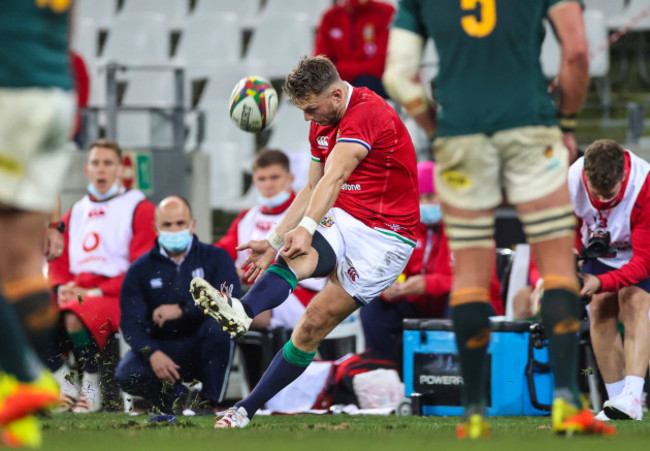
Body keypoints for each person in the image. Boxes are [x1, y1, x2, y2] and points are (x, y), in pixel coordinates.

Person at [382, 0, 614, 438]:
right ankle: (566, 399)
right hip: (530, 127)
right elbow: (578, 52)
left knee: (469, 274)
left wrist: (435, 127)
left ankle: (471, 412)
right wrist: (564, 121)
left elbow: (397, 74)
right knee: (556, 266)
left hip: (460, 133)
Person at [190, 55, 419, 428]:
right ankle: (243, 332)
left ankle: (248, 394)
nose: (307, 118)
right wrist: (276, 238)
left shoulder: (366, 112)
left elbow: (335, 176)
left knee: (312, 325)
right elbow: (313, 185)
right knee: (298, 252)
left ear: (336, 93)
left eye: (311, 108)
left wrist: (308, 226)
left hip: (387, 237)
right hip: (346, 215)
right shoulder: (321, 121)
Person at [0, 0, 76, 447]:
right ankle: (17, 424)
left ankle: (28, 376)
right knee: (20, 264)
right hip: (54, 90)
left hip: (8, 86)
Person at [48, 139, 157, 413]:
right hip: (78, 292)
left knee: (75, 313)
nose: (101, 170)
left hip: (118, 295)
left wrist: (95, 292)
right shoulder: (76, 211)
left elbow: (141, 267)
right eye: (96, 163)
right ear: (87, 169)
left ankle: (91, 385)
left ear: (121, 169)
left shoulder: (139, 207)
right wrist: (61, 286)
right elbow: (59, 259)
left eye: (108, 163)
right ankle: (64, 380)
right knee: (29, 312)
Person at [360, 161, 504, 365]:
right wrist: (389, 286)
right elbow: (393, 266)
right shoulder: (408, 225)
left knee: (460, 299)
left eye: (429, 197)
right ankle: (383, 375)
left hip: (474, 305)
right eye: (417, 198)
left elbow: (473, 280)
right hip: (422, 305)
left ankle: (454, 377)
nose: (423, 204)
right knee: (374, 303)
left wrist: (427, 284)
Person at [116, 196, 240, 414]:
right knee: (126, 374)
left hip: (204, 343)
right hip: (162, 347)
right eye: (167, 225)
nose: (174, 230)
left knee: (221, 326)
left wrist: (184, 309)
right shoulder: (139, 270)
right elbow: (130, 322)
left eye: (180, 223)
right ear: (156, 228)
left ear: (192, 224)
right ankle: (178, 401)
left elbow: (231, 301)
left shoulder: (216, 258)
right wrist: (152, 353)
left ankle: (208, 403)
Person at [569, 139, 650, 421]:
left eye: (610, 194)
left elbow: (643, 262)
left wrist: (600, 282)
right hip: (604, 248)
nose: (602, 200)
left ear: (623, 176)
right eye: (596, 193)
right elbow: (571, 225)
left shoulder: (644, 184)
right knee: (600, 310)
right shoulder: (573, 177)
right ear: (586, 177)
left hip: (639, 253)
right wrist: (573, 260)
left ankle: (634, 397)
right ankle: (616, 402)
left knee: (634, 301)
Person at [216, 149, 325, 330]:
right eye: (262, 179)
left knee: (223, 312)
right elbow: (220, 254)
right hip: (251, 293)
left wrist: (247, 272)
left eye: (275, 177)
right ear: (254, 181)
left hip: (299, 295)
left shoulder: (310, 214)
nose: (268, 185)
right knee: (214, 300)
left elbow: (304, 261)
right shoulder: (246, 218)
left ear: (290, 179)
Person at [314, 0, 394, 98]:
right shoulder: (330, 17)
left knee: (361, 85)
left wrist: (339, 69)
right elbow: (320, 66)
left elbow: (380, 66)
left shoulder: (385, 12)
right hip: (339, 82)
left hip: (372, 82)